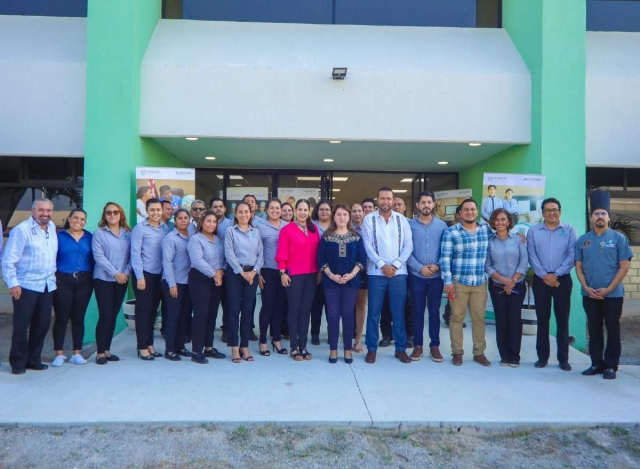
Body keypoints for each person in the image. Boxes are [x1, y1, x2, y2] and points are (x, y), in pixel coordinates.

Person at [576, 191, 633, 380]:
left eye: (603, 213)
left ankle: (611, 366)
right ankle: (596, 363)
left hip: (613, 294)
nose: (599, 217)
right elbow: (578, 266)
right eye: (596, 213)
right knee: (594, 329)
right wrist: (586, 287)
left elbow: (624, 267)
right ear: (591, 217)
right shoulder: (583, 240)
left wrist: (608, 289)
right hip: (589, 294)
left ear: (608, 217)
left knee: (612, 329)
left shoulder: (618, 239)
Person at [2, 199, 57, 375]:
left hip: (47, 285)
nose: (45, 214)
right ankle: (18, 362)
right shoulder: (21, 230)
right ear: (33, 211)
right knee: (21, 325)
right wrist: (13, 283)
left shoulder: (52, 228)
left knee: (41, 325)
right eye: (41, 210)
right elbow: (8, 260)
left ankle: (34, 360)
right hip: (25, 285)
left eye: (48, 210)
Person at [362, 187, 413, 365]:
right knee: (374, 312)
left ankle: (400, 349)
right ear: (378, 200)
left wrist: (395, 265)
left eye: (388, 199)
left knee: (398, 312)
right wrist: (383, 266)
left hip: (399, 274)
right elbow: (367, 246)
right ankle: (371, 349)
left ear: (393, 201)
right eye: (382, 198)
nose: (385, 202)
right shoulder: (368, 219)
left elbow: (408, 246)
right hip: (376, 273)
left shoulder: (402, 220)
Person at [527, 197, 577, 371]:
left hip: (562, 280)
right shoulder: (533, 231)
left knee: (562, 320)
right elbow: (532, 256)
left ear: (560, 211)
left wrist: (556, 275)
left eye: (554, 210)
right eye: (547, 210)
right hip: (541, 281)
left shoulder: (570, 230)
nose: (551, 213)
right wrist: (546, 276)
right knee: (542, 320)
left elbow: (572, 255)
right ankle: (542, 357)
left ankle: (563, 359)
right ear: (542, 213)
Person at [441, 198, 492, 367]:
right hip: (458, 283)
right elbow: (445, 258)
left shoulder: (486, 230)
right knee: (456, 317)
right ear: (460, 213)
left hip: (479, 283)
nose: (470, 212)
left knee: (479, 318)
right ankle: (457, 352)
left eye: (473, 209)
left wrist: (519, 237)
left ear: (477, 212)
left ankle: (479, 353)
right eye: (466, 210)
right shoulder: (451, 232)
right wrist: (447, 282)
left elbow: (503, 236)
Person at [318, 204, 366, 364]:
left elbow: (362, 260)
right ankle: (333, 349)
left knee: (347, 314)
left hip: (351, 282)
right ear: (334, 217)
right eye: (339, 214)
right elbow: (321, 259)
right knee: (332, 315)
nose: (342, 217)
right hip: (330, 282)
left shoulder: (357, 237)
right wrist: (331, 275)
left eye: (345, 214)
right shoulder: (326, 237)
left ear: (349, 217)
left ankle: (346, 349)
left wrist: (351, 274)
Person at [276, 199, 320, 361]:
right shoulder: (287, 230)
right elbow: (281, 254)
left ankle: (303, 346)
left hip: (311, 275)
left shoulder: (314, 229)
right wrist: (283, 273)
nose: (302, 212)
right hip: (293, 275)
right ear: (295, 211)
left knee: (305, 311)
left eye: (305, 209)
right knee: (294, 311)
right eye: (299, 209)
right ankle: (294, 347)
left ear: (309, 211)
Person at [407, 191, 448, 362]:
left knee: (434, 312)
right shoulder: (409, 225)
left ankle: (435, 346)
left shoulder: (442, 226)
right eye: (423, 202)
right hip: (416, 275)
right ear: (417, 205)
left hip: (436, 277)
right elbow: (405, 250)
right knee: (417, 312)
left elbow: (446, 250)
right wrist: (419, 267)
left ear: (433, 205)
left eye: (429, 202)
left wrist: (438, 265)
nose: (426, 205)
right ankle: (417, 346)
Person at [485, 208, 528, 367]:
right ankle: (504, 355)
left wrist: (513, 281)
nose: (500, 222)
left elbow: (524, 261)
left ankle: (515, 356)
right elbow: (488, 266)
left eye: (503, 219)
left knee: (515, 320)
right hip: (497, 286)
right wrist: (504, 281)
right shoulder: (490, 241)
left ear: (509, 221)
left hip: (517, 287)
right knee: (501, 320)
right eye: (497, 220)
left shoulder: (518, 240)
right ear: (493, 222)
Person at [51, 209, 94, 367]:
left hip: (84, 281)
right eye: (76, 218)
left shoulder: (89, 237)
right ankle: (59, 354)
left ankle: (77, 353)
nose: (79, 221)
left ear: (85, 222)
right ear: (69, 218)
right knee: (62, 318)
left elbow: (94, 259)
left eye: (82, 219)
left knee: (78, 318)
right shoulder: (59, 236)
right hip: (63, 280)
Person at [92, 202, 131, 365]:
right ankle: (100, 352)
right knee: (105, 315)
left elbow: (132, 256)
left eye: (116, 212)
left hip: (122, 280)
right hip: (103, 279)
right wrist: (115, 273)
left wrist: (125, 273)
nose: (113, 215)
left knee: (113, 315)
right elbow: (99, 257)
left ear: (121, 214)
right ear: (104, 215)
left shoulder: (128, 233)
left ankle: (108, 350)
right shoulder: (99, 233)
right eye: (109, 212)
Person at [224, 202, 264, 363]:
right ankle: (234, 346)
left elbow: (261, 254)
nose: (243, 215)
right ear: (235, 213)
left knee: (248, 310)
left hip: (252, 273)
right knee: (234, 311)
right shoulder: (230, 231)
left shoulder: (256, 232)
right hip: (235, 273)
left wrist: (254, 272)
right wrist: (242, 273)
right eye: (240, 212)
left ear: (251, 214)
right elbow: (229, 254)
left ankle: (244, 345)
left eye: (246, 212)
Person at [131, 197, 168, 360]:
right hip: (144, 274)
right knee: (143, 311)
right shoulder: (140, 229)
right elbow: (135, 254)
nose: (155, 213)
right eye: (152, 210)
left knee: (154, 311)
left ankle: (150, 344)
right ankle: (141, 346)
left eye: (158, 210)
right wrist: (139, 276)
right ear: (147, 211)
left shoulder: (165, 228)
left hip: (159, 275)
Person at [188, 210, 226, 364]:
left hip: (217, 280)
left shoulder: (219, 240)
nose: (211, 224)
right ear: (202, 222)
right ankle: (197, 350)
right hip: (200, 280)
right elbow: (197, 260)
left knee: (212, 315)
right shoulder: (196, 239)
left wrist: (221, 272)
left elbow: (225, 258)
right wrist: (214, 274)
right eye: (208, 221)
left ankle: (209, 348)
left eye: (214, 222)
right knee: (201, 315)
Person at [380, 197, 414, 348]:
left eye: (400, 204)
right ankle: (386, 335)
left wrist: (396, 265)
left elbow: (409, 246)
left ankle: (408, 336)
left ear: (405, 207)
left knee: (407, 305)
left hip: (406, 272)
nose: (396, 206)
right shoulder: (382, 223)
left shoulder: (408, 223)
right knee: (385, 304)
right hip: (384, 271)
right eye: (395, 204)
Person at [257, 199, 288, 356]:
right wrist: (258, 273)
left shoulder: (287, 226)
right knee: (268, 306)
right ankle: (262, 340)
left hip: (284, 272)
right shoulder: (261, 228)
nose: (275, 210)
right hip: (267, 271)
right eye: (272, 208)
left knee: (279, 306)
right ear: (267, 210)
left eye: (278, 208)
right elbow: (257, 251)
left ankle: (276, 339)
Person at [161, 209, 192, 361]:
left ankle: (180, 346)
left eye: (186, 218)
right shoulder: (170, 238)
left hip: (188, 283)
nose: (183, 221)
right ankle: (170, 349)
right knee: (173, 316)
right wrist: (172, 284)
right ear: (175, 220)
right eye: (180, 218)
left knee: (185, 316)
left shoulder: (192, 236)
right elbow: (167, 263)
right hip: (173, 283)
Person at [209, 197, 232, 343]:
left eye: (221, 206)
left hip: (228, 269)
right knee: (211, 303)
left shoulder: (231, 225)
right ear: (211, 209)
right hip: (210, 270)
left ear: (225, 209)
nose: (218, 209)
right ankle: (208, 329)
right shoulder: (206, 223)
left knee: (228, 302)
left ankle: (227, 329)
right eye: (215, 206)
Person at [310, 200, 332, 345]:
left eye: (327, 209)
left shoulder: (335, 226)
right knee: (316, 305)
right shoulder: (311, 226)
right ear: (317, 211)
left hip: (333, 271)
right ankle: (315, 334)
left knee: (331, 306)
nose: (324, 212)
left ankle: (332, 333)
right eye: (321, 209)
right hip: (314, 269)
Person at [351, 203, 367, 353]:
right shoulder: (346, 228)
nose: (357, 214)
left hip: (364, 270)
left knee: (360, 304)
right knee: (348, 305)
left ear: (363, 213)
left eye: (359, 211)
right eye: (354, 211)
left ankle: (358, 340)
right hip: (348, 271)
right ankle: (348, 335)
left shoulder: (369, 228)